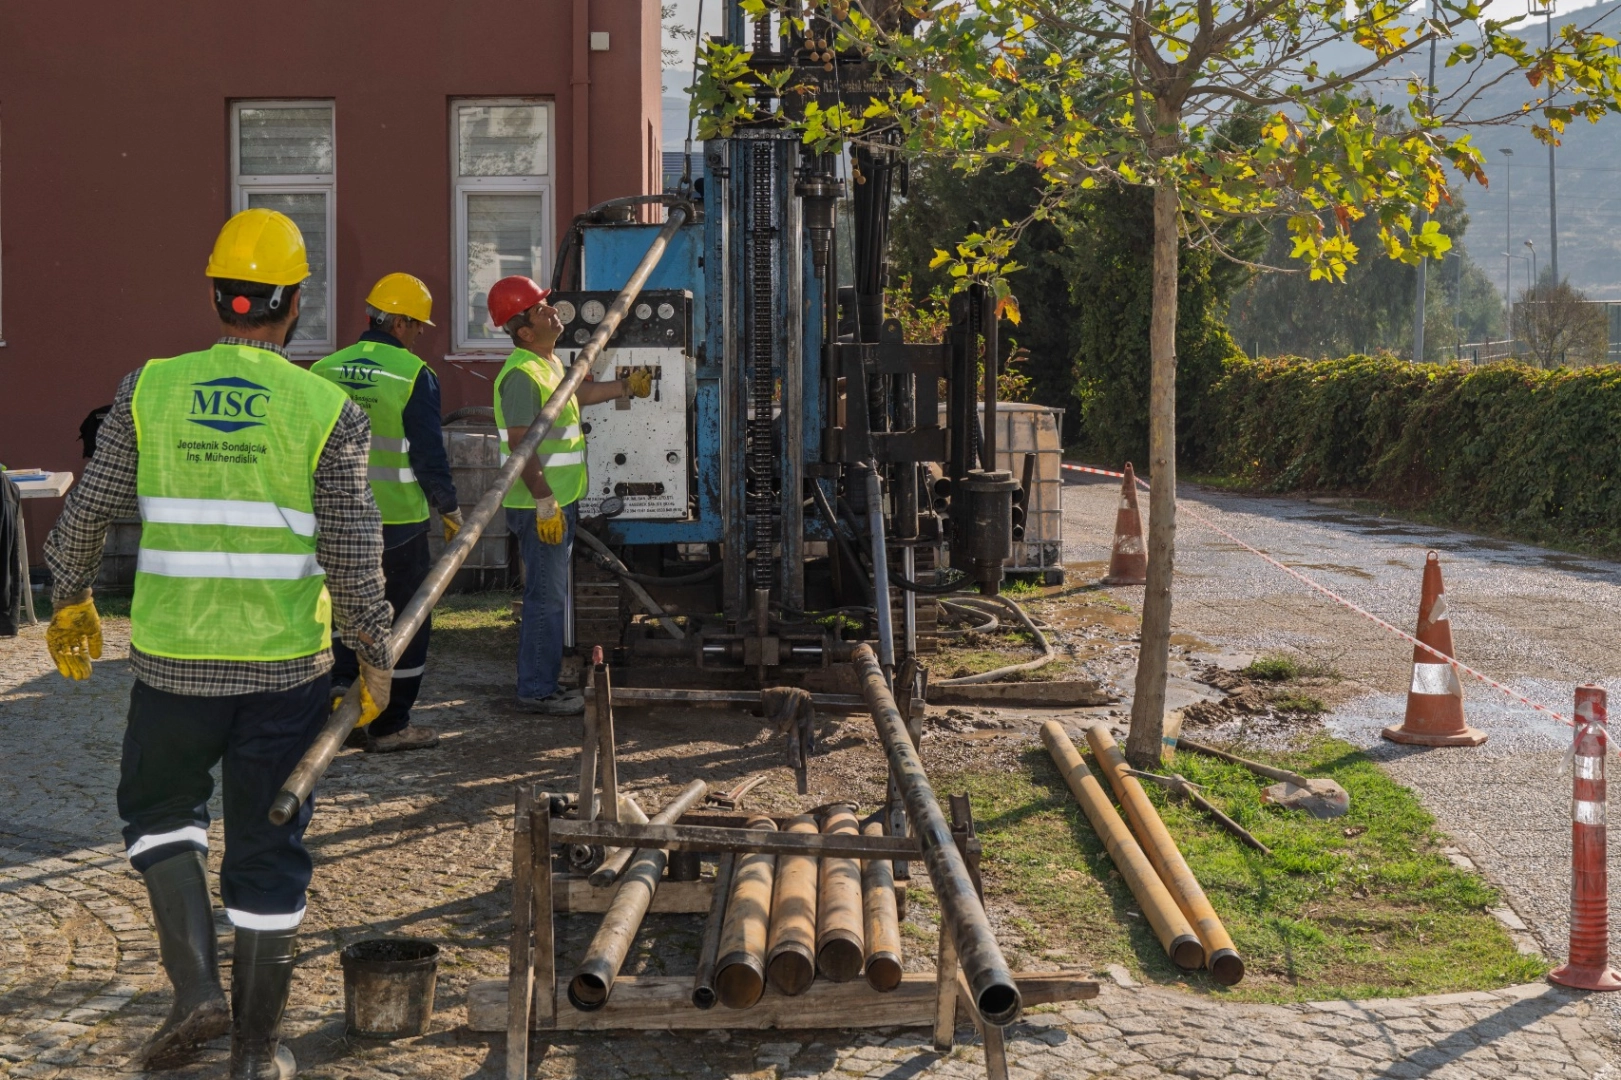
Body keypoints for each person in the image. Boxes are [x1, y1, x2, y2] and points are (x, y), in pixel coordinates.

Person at [42, 207, 394, 1080]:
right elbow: (352, 554)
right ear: (294, 303)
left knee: (159, 812)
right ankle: (252, 1054)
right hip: (285, 673)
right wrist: (375, 651)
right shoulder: (326, 409)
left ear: (218, 295)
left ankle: (196, 985)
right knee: (269, 850)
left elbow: (88, 511)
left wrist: (71, 593)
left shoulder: (149, 388)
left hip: (172, 662)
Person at [486, 276, 650, 714]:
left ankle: (540, 682)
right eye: (541, 309)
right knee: (545, 597)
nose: (552, 309)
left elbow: (578, 394)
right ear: (523, 330)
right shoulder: (521, 376)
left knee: (551, 594)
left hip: (558, 502)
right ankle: (537, 690)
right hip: (540, 507)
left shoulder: (549, 363)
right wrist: (543, 500)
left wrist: (623, 387)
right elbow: (523, 446)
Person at [311, 274, 459, 753]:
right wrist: (450, 507)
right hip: (395, 524)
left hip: (329, 520)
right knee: (404, 622)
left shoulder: (321, 370)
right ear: (397, 321)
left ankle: (341, 710)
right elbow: (427, 454)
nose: (419, 334)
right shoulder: (414, 374)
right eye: (416, 326)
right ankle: (390, 725)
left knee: (338, 614)